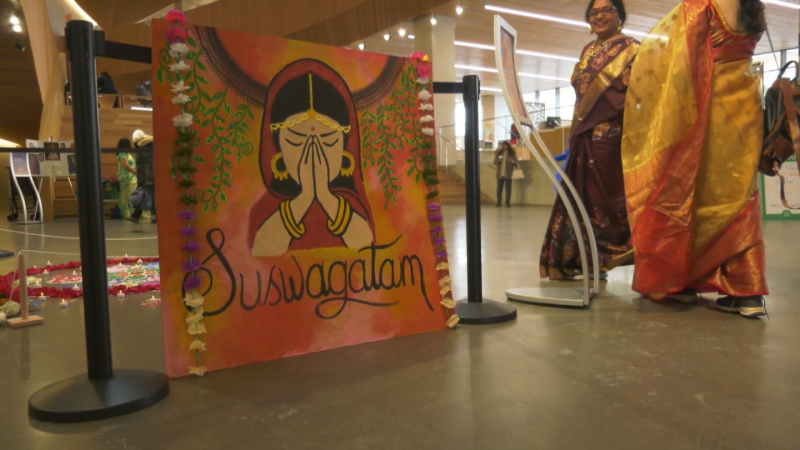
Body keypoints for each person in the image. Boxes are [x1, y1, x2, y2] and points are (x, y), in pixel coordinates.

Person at [621, 0, 767, 317]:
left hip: (708, 107)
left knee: (693, 192)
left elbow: (669, 59)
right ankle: (746, 291)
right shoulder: (753, 8)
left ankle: (680, 283)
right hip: (746, 107)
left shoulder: (699, 7)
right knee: (740, 195)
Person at [539, 0, 639, 281]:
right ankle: (583, 259)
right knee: (581, 196)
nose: (600, 16)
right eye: (594, 12)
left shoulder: (632, 48)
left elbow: (639, 94)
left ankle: (612, 253)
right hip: (583, 136)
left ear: (619, 15)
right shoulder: (588, 51)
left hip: (611, 136)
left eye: (607, 10)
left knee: (607, 198)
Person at [249, 60, 375, 257]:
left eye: (326, 140)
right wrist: (304, 198)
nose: (313, 151)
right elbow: (259, 255)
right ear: (277, 147)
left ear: (344, 147)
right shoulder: (264, 210)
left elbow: (369, 250)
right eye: (297, 139)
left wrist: (325, 196)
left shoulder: (352, 205)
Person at [128, 130, 155, 223]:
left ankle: (136, 216)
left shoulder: (144, 147)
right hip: (146, 176)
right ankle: (136, 216)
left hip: (147, 177)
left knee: (147, 196)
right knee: (146, 196)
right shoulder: (147, 145)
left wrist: (149, 179)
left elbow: (149, 164)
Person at [116, 138, 137, 219]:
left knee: (130, 196)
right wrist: (135, 172)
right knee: (127, 197)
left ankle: (130, 214)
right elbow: (126, 166)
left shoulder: (127, 154)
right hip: (127, 179)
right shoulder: (122, 154)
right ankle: (127, 215)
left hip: (131, 178)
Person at [494, 141, 518, 207]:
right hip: (500, 174)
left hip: (508, 174)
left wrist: (514, 162)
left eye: (505, 145)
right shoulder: (499, 153)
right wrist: (497, 161)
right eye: (502, 145)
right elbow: (494, 162)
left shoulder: (512, 153)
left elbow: (516, 163)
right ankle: (498, 202)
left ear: (508, 146)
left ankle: (507, 202)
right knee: (499, 189)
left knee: (508, 189)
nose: (503, 147)